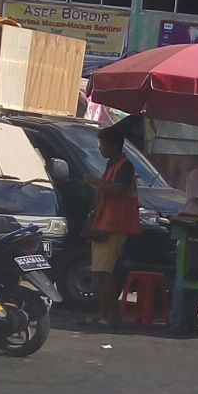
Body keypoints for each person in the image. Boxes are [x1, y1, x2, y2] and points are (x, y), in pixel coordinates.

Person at [83, 126, 141, 327]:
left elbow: (117, 191)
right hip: (104, 223)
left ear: (112, 145)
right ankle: (103, 312)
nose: (100, 149)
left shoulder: (124, 166)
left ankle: (110, 315)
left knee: (104, 272)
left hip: (115, 224)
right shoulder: (112, 165)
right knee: (99, 272)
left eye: (102, 144)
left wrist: (94, 182)